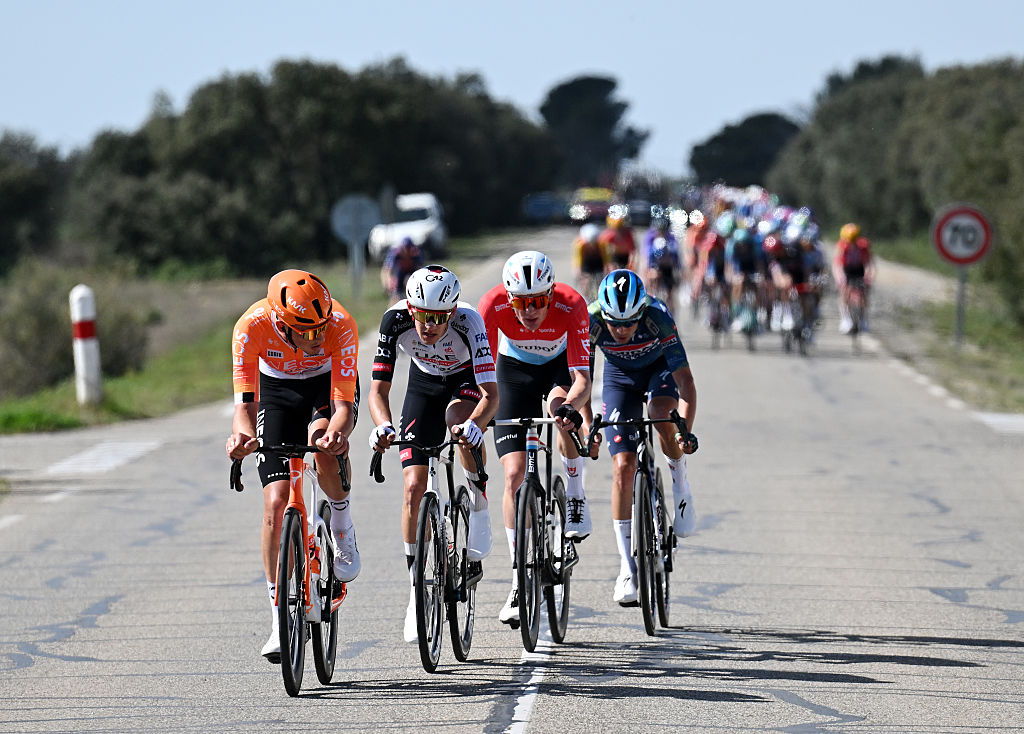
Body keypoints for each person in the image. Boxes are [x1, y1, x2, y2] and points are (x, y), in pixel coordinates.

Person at [225, 269, 360, 662]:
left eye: (321, 328)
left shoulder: (341, 324)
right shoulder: (250, 327)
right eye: (306, 331)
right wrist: (241, 438)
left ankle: (341, 523)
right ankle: (278, 618)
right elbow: (245, 406)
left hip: (325, 388)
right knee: (275, 502)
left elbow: (343, 407)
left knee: (323, 447)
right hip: (277, 392)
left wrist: (337, 434)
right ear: (281, 324)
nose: (316, 338)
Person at [367, 265, 500, 642]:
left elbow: (492, 395)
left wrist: (476, 424)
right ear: (411, 310)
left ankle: (477, 499)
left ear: (453, 311)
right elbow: (378, 391)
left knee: (459, 421)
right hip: (423, 384)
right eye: (422, 317)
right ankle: (415, 591)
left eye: (439, 318)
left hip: (465, 383)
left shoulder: (469, 322)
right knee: (413, 488)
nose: (429, 326)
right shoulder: (393, 320)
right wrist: (382, 426)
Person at [478, 250, 593, 626]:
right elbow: (483, 379)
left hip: (560, 372)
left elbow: (583, 381)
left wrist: (572, 409)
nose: (529, 311)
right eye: (521, 303)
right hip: (513, 373)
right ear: (508, 298)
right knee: (513, 476)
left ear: (551, 295)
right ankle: (517, 579)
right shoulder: (491, 305)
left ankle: (574, 495)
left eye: (538, 302)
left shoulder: (572, 304)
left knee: (560, 412)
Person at [589, 269, 698, 605]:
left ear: (641, 313)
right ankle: (626, 566)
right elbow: (580, 378)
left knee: (661, 415)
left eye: (630, 323)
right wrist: (587, 428)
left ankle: (679, 483)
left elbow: (687, 385)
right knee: (623, 467)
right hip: (618, 378)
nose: (622, 331)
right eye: (615, 324)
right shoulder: (590, 320)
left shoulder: (658, 318)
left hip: (658, 371)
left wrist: (686, 434)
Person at [832, 223, 875, 333]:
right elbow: (838, 266)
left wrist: (869, 275)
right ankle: (845, 319)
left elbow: (868, 263)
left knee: (865, 291)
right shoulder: (841, 247)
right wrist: (840, 278)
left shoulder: (863, 246)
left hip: (859, 270)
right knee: (844, 292)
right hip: (846, 270)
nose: (851, 242)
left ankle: (864, 319)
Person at [641, 217, 682, 316]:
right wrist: (646, 273)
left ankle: (671, 312)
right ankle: (648, 302)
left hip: (667, 267)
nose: (661, 233)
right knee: (650, 281)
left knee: (669, 292)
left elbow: (676, 257)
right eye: (659, 231)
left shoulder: (671, 239)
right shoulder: (650, 237)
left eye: (663, 230)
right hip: (654, 265)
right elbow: (646, 257)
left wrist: (679, 270)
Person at [381, 237, 425, 303]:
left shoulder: (415, 253)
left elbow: (420, 268)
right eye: (405, 247)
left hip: (411, 271)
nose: (407, 250)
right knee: (396, 294)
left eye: (409, 248)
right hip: (400, 271)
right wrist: (387, 282)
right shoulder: (395, 254)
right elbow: (386, 270)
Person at [573, 222, 609, 300]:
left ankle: (601, 297)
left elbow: (606, 260)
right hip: (586, 262)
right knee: (585, 281)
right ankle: (585, 298)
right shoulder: (580, 245)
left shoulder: (602, 244)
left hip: (598, 261)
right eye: (590, 243)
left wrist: (607, 272)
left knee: (600, 281)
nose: (592, 245)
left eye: (594, 243)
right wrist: (578, 274)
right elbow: (578, 262)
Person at [599, 206, 637, 270]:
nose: (619, 231)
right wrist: (607, 264)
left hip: (625, 256)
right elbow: (602, 247)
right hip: (615, 256)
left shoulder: (628, 235)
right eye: (618, 229)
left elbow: (633, 251)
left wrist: (632, 262)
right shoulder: (610, 235)